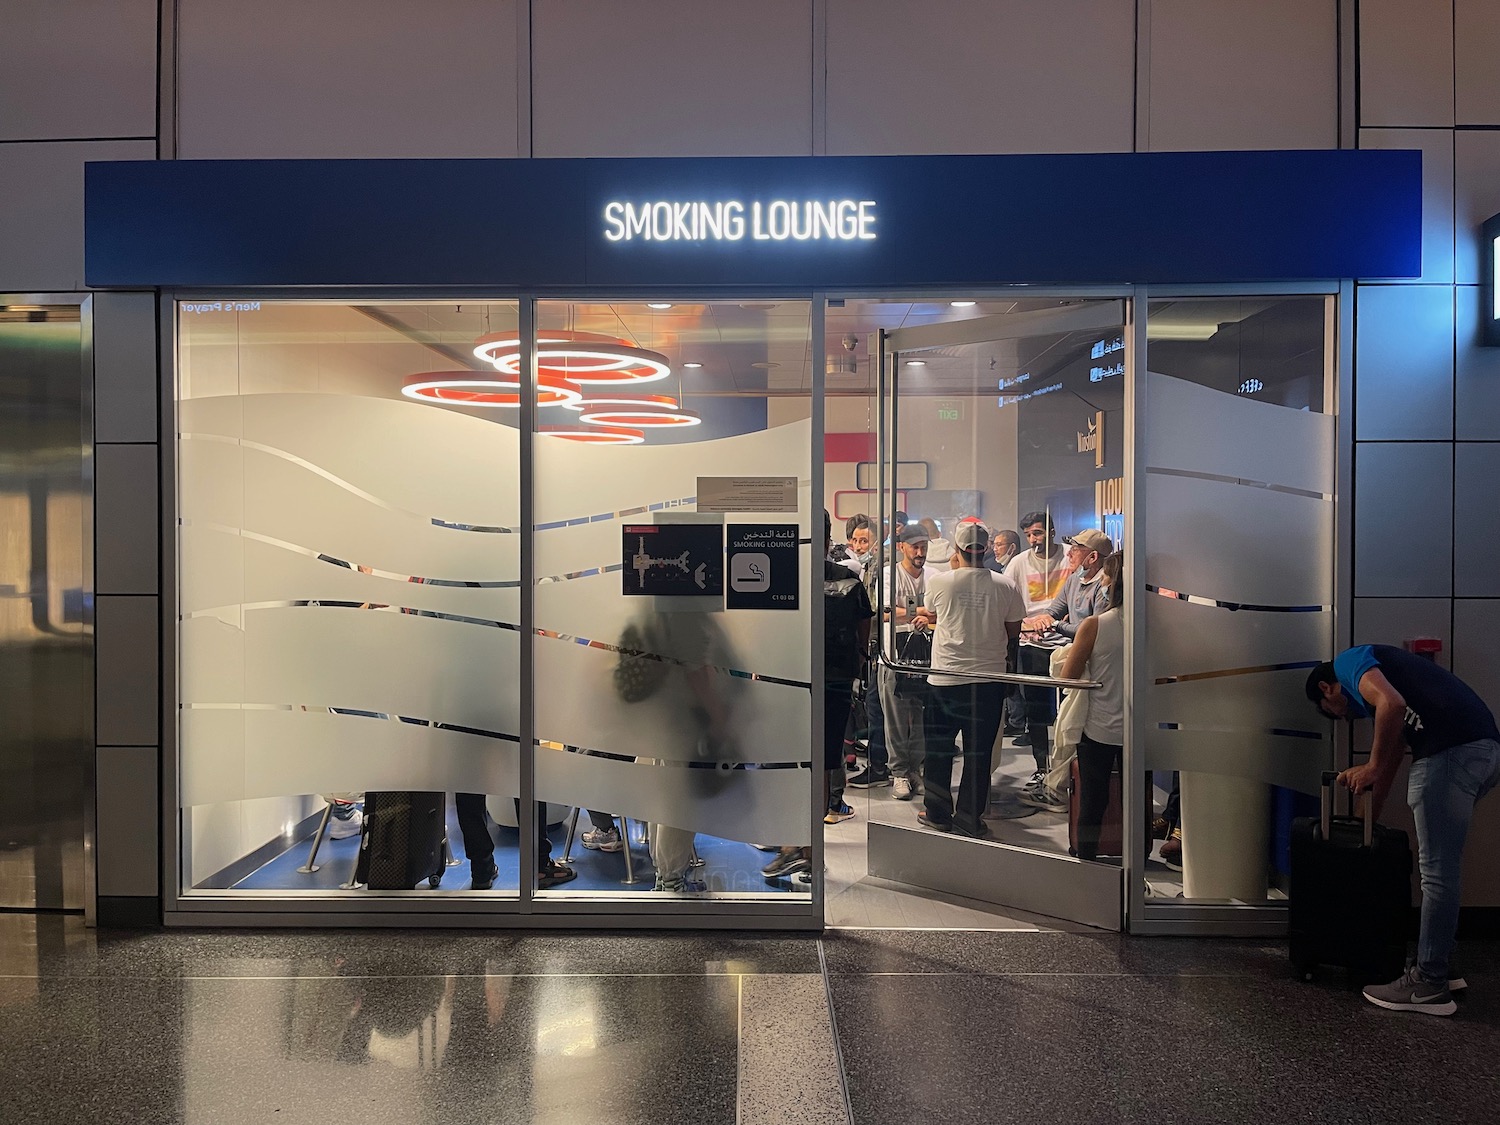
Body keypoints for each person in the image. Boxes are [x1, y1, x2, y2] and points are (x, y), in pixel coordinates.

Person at [1306, 646, 1500, 1016]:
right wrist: (1366, 823)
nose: (1345, 717)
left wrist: (1371, 766)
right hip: (1483, 751)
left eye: (1334, 712)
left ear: (1327, 689)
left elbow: (1390, 706)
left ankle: (1429, 983)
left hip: (1451, 753)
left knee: (1438, 875)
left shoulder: (1349, 662)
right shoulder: (1397, 696)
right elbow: (1392, 755)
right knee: (1443, 870)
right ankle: (1441, 965)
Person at [763, 510, 874, 879]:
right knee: (819, 762)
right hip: (831, 681)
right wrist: (858, 659)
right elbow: (864, 623)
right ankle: (802, 848)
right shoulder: (847, 579)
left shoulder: (785, 578)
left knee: (798, 762)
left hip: (798, 682)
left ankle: (799, 846)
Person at [915, 521, 1025, 838]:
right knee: (978, 753)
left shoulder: (942, 583)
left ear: (957, 550)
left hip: (946, 678)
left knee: (938, 749)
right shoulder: (1005, 585)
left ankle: (937, 813)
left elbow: (931, 611)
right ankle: (968, 817)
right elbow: (1013, 631)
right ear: (987, 548)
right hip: (989, 680)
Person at [1018, 527, 1112, 812]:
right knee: (1064, 726)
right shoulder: (1074, 580)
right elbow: (1055, 610)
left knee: (1071, 729)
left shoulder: (1104, 588)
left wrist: (1056, 625)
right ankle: (1056, 783)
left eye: (1076, 549)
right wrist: (1041, 621)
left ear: (1092, 557)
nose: (1069, 553)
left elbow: (1091, 630)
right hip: (1073, 663)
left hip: (1093, 670)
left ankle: (1059, 789)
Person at [1058, 552, 1126, 860]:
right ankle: (1136, 858)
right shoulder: (1158, 625)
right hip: (1139, 729)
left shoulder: (1095, 625)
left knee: (1093, 799)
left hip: (1099, 726)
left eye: (1106, 578)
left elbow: (1068, 676)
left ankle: (1086, 858)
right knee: (1136, 797)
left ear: (1113, 584)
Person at [1007, 513, 1075, 781]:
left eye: (1038, 533)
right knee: (1035, 709)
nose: (1034, 540)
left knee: (1070, 708)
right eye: (1029, 535)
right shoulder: (1018, 563)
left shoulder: (1071, 556)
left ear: (1052, 531)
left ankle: (1066, 768)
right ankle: (1041, 767)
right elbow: (1008, 598)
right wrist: (1024, 626)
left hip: (1067, 642)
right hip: (1032, 643)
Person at [876, 525, 935, 800]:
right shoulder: (889, 575)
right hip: (893, 656)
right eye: (915, 546)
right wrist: (922, 612)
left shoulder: (935, 576)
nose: (920, 551)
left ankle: (916, 768)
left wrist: (909, 614)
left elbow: (941, 613)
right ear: (902, 547)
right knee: (896, 717)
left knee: (922, 714)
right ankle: (899, 771)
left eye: (923, 545)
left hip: (927, 656)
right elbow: (885, 614)